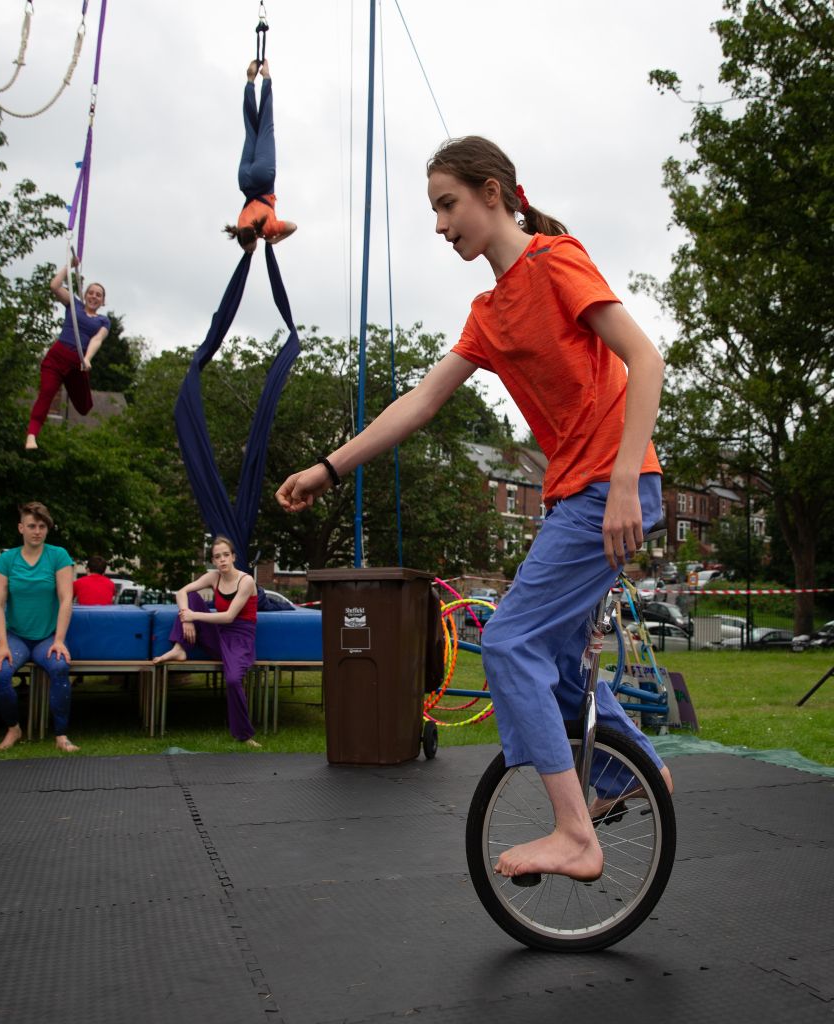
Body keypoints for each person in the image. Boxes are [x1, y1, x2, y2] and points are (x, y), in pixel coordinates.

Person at [276, 135, 673, 883]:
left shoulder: (555, 261)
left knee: (508, 643)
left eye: (447, 204)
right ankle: (632, 773)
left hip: (609, 484)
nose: (439, 224)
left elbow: (645, 358)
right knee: (551, 662)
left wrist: (624, 480)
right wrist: (329, 467)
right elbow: (419, 403)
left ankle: (575, 834)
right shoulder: (488, 312)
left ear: (493, 193)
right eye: (433, 209)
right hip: (574, 493)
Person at [152, 536, 261, 748]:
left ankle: (244, 734)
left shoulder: (246, 581)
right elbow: (182, 592)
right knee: (192, 596)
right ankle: (179, 648)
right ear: (213, 560)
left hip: (240, 638)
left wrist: (194, 617)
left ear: (234, 557)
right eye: (217, 557)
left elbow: (229, 616)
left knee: (232, 680)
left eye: (226, 555)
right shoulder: (214, 577)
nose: (222, 560)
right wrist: (187, 621)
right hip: (219, 633)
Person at [0, 501, 78, 752]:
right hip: (15, 636)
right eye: (31, 526)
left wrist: (59, 640)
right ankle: (13, 728)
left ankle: (61, 735)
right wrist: (3, 644)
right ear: (21, 528)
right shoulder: (7, 559)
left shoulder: (58, 555)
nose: (37, 531)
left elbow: (65, 599)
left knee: (60, 666)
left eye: (41, 526)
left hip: (48, 637)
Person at [25, 261, 110, 450]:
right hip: (57, 357)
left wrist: (87, 358)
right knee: (46, 393)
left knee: (84, 407)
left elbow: (97, 339)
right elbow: (54, 286)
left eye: (98, 295)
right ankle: (31, 435)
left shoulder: (103, 321)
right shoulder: (74, 305)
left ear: (103, 301)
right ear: (85, 295)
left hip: (77, 363)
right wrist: (69, 266)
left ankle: (34, 433)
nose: (94, 296)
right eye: (91, 292)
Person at [223, 58, 297, 254]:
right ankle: (249, 81)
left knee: (266, 126)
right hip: (245, 179)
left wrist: (275, 240)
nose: (251, 251)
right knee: (251, 128)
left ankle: (266, 77)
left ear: (254, 237)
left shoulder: (266, 229)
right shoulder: (240, 225)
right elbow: (246, 238)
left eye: (251, 249)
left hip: (263, 178)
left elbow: (293, 226)